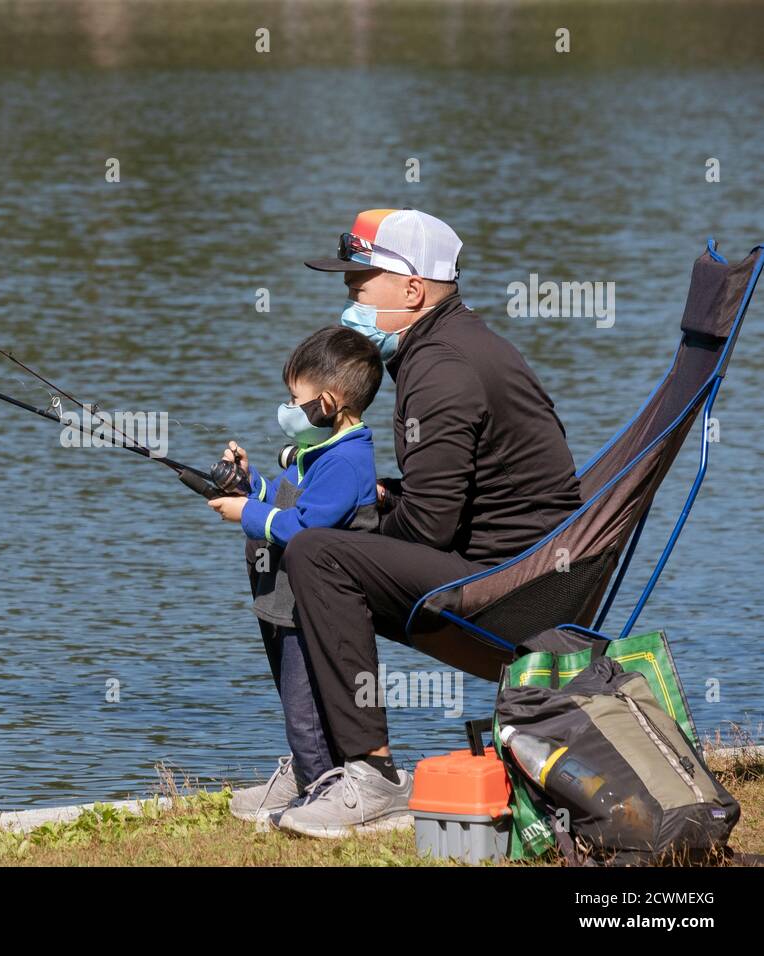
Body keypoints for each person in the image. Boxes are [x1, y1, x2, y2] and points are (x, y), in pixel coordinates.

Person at [236, 208, 583, 839]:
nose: (349, 298)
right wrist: (374, 499)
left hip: (515, 586)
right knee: (294, 511)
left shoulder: (441, 367)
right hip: (510, 560)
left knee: (314, 550)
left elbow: (426, 529)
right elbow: (448, 495)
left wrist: (342, 532)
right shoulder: (445, 347)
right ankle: (319, 762)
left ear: (413, 290)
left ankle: (373, 776)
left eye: (359, 284)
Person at [205, 326, 383, 823]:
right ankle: (312, 778)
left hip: (314, 609)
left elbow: (305, 527)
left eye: (293, 398)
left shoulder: (347, 461)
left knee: (305, 703)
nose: (286, 408)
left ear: (327, 402)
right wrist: (249, 483)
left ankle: (317, 792)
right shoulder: (318, 451)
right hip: (284, 601)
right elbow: (285, 499)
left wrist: (244, 513)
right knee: (294, 696)